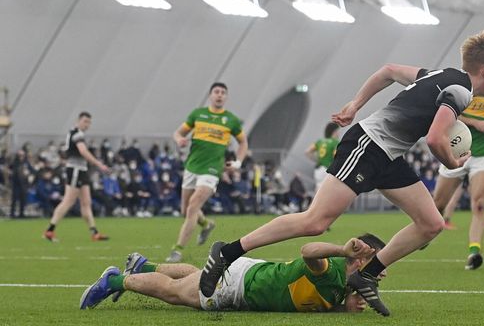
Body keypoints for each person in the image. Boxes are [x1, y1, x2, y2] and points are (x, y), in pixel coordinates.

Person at [200, 29, 484, 316]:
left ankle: (366, 275)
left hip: (388, 154)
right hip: (367, 146)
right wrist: (452, 163)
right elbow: (435, 139)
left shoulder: (440, 74)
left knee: (432, 222)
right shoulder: (461, 90)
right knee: (316, 222)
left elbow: (390, 71)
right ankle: (227, 252)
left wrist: (355, 104)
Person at [80, 234, 385, 312]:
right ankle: (115, 280)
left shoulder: (345, 285)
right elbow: (307, 251)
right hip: (240, 286)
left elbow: (337, 304)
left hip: (251, 272)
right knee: (177, 294)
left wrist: (355, 298)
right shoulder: (331, 270)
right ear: (362, 257)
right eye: (377, 262)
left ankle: (143, 267)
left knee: (196, 276)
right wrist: (342, 250)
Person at [432, 80, 484, 270]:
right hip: (457, 151)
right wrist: (474, 122)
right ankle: (425, 234)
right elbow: (450, 114)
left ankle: (474, 252)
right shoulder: (467, 88)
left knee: (479, 203)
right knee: (438, 205)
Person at [166, 82, 248, 262]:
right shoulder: (198, 114)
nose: (219, 95)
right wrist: (180, 139)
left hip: (212, 169)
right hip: (192, 167)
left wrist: (238, 162)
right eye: (216, 92)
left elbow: (243, 142)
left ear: (226, 97)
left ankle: (177, 250)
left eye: (223, 93)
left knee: (193, 206)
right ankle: (206, 224)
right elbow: (178, 133)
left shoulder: (231, 120)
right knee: (185, 210)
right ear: (210, 95)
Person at [43, 112, 111, 242]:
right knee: (68, 201)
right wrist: (98, 164)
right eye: (85, 121)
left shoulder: (77, 133)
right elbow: (83, 151)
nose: (87, 125)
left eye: (89, 122)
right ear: (78, 120)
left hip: (81, 170)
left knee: (86, 203)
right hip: (75, 170)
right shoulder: (76, 133)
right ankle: (49, 230)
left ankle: (94, 233)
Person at [305, 122, 341, 197]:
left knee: (318, 189)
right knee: (328, 193)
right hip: (327, 169)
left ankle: (313, 207)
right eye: (338, 131)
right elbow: (336, 156)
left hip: (318, 169)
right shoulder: (335, 142)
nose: (338, 133)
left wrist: (317, 160)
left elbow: (307, 152)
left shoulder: (320, 141)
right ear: (334, 132)